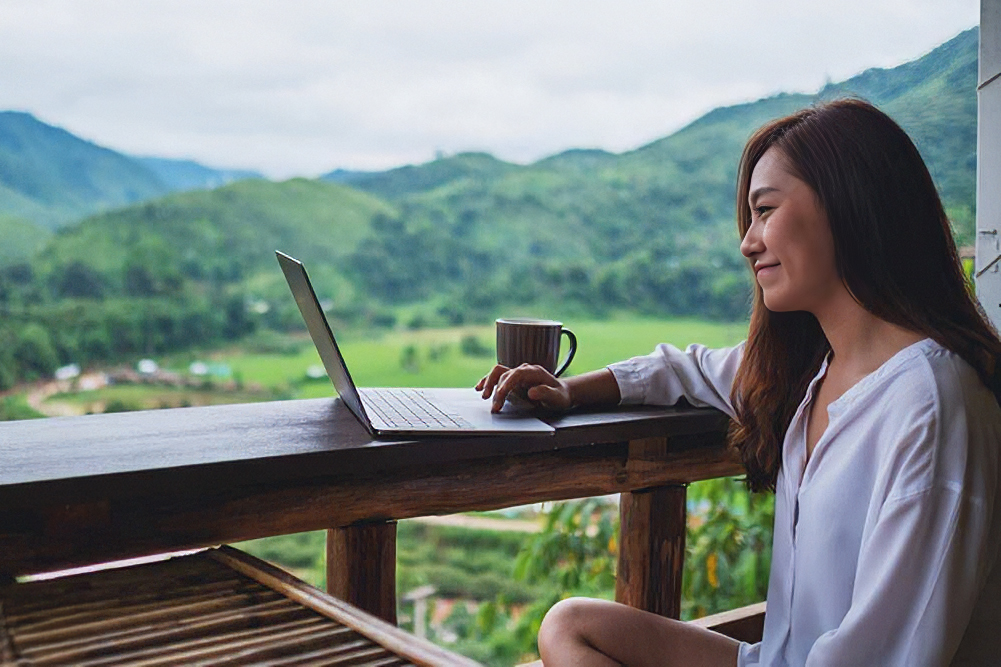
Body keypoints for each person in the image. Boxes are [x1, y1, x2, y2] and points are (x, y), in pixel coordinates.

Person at [476, 99, 1001, 666]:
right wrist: (571, 390)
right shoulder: (813, 371)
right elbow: (687, 368)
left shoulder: (931, 407)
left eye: (766, 211)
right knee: (570, 625)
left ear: (850, 204)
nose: (748, 242)